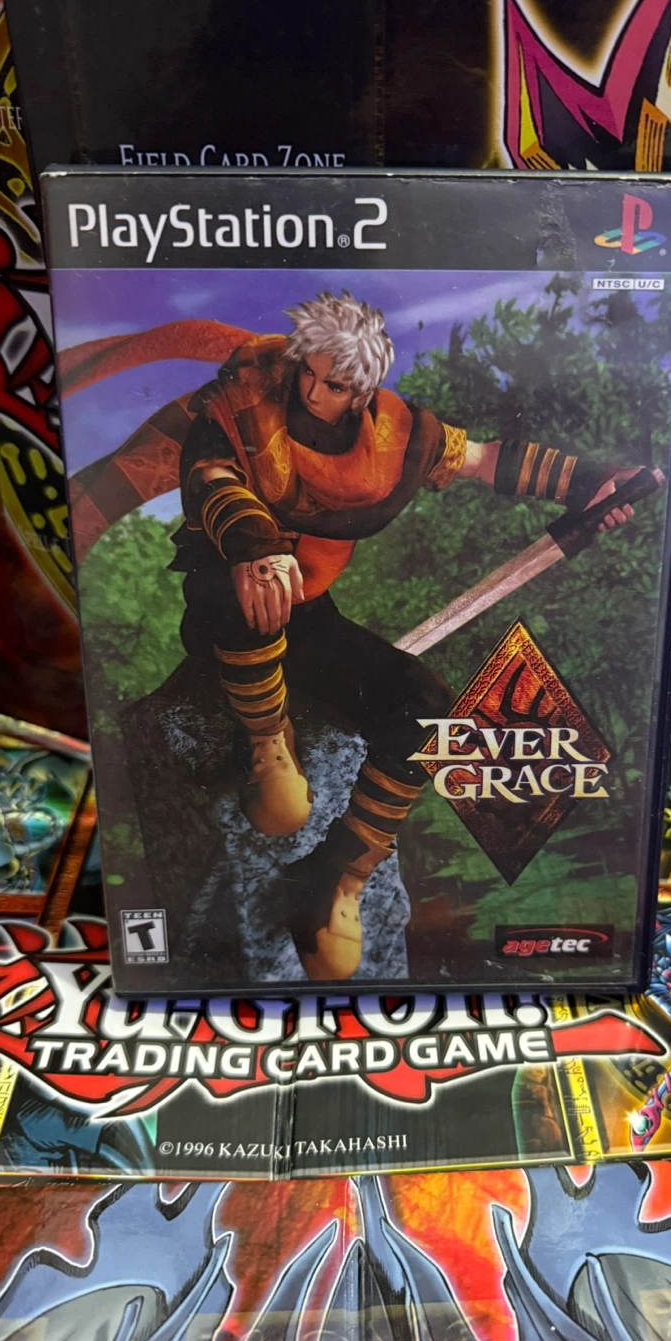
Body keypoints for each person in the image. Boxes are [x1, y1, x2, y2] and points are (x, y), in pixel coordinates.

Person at [172, 290, 638, 980]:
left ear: (361, 391)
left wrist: (593, 485)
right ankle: (269, 746)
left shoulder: (396, 433)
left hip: (310, 614)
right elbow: (211, 475)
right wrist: (252, 545)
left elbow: (483, 459)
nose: (313, 392)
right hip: (227, 594)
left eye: (334, 385)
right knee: (276, 759)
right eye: (308, 373)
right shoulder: (243, 400)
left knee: (427, 708)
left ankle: (337, 877)